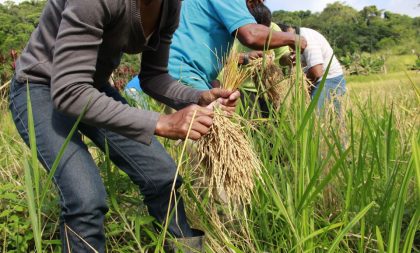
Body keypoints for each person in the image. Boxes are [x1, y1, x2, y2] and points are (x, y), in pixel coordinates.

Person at [9, 0, 240, 252]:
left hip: (92, 88)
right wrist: (160, 122)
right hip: (40, 87)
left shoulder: (171, 6)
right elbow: (70, 91)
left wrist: (197, 96)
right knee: (85, 198)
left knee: (163, 176)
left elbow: (155, 76)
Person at [168, 0, 307, 91]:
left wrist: (245, 58)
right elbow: (251, 35)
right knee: (208, 125)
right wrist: (292, 38)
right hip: (183, 73)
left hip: (181, 73)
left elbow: (206, 49)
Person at [278, 24, 346, 113]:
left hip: (328, 80)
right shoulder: (294, 40)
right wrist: (289, 57)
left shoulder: (307, 39)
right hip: (317, 81)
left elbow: (317, 72)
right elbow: (282, 62)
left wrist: (299, 84)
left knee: (316, 118)